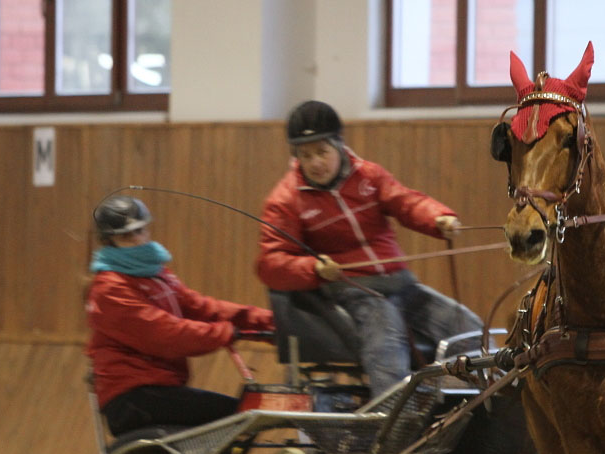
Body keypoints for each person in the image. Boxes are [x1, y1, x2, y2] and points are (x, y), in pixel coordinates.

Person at [256, 100, 483, 397]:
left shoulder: (369, 176)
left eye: (322, 152)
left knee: (469, 327)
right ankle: (394, 426)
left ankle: (477, 410)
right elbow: (271, 263)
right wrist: (314, 268)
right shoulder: (285, 200)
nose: (315, 163)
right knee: (387, 341)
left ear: (338, 146)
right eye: (305, 155)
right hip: (355, 292)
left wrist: (439, 218)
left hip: (403, 286)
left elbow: (406, 202)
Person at [86, 195, 274, 436]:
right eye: (126, 236)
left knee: (238, 414)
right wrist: (224, 333)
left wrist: (269, 322)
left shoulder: (156, 274)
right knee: (236, 414)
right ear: (109, 241)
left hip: (158, 388)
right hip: (132, 395)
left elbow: (203, 308)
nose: (137, 240)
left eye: (141, 231)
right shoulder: (109, 288)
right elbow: (163, 334)